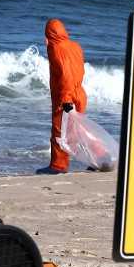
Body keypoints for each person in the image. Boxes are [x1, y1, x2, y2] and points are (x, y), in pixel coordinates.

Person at [37, 19, 87, 175]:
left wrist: (65, 98)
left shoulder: (56, 48)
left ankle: (58, 166)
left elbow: (65, 74)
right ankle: (102, 157)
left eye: (47, 34)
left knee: (59, 131)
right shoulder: (75, 46)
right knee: (79, 130)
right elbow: (76, 70)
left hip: (66, 95)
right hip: (79, 92)